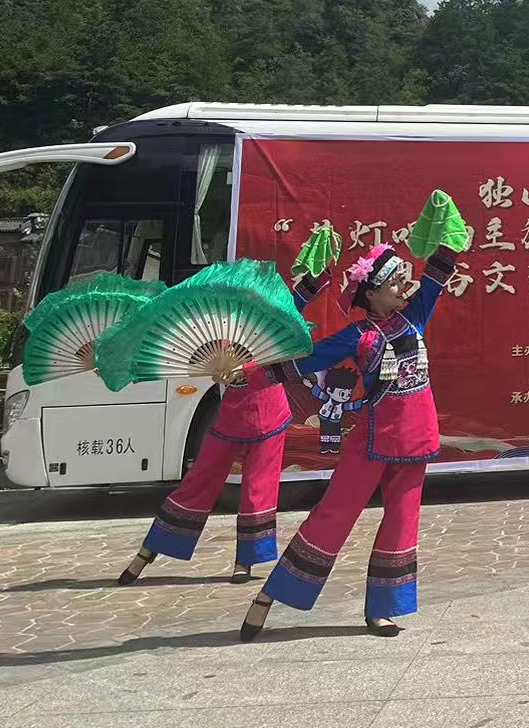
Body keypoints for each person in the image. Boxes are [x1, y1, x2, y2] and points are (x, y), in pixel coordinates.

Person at [241, 237, 459, 640]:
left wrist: (447, 231)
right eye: (394, 282)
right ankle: (271, 593)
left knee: (403, 519)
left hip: (416, 438)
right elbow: (304, 361)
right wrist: (248, 373)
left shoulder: (415, 316)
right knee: (334, 514)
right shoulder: (358, 336)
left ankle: (383, 609)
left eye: (402, 279)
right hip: (374, 439)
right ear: (371, 293)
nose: (403, 286)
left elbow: (440, 267)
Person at [118, 266, 330, 587]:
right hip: (231, 415)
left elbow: (299, 299)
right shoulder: (217, 330)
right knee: (198, 481)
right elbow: (194, 354)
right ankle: (149, 549)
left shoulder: (271, 323)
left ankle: (246, 560)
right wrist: (217, 374)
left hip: (269, 415)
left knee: (258, 488)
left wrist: (321, 271)